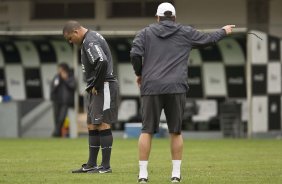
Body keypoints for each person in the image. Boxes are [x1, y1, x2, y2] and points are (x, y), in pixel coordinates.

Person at [130, 2, 235, 183]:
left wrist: (139, 73)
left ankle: (142, 175)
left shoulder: (145, 33)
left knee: (146, 131)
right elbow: (208, 40)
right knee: (176, 132)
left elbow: (134, 54)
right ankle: (176, 175)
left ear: (157, 17)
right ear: (175, 17)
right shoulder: (185, 31)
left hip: (151, 86)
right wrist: (223, 31)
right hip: (176, 87)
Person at [63, 20, 118, 174]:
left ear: (75, 32)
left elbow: (102, 61)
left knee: (103, 124)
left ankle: (105, 166)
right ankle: (92, 164)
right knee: (92, 125)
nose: (70, 42)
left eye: (69, 38)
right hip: (96, 88)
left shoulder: (90, 40)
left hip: (104, 86)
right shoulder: (89, 39)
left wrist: (96, 84)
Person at [50, 62, 75, 137]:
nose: (59, 71)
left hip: (65, 102)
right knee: (56, 118)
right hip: (56, 101)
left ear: (65, 70)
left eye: (60, 69)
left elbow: (73, 86)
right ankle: (58, 134)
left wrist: (65, 79)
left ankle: (56, 133)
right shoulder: (57, 77)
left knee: (61, 118)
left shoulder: (71, 77)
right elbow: (53, 87)